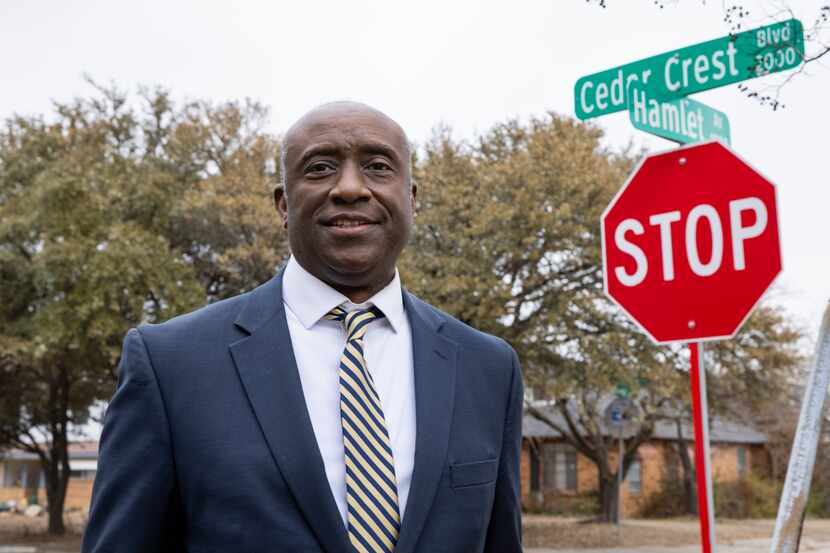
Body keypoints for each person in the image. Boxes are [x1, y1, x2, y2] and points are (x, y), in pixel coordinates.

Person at [82, 101, 523, 553]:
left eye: (377, 166)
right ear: (283, 204)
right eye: (320, 168)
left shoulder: (489, 368)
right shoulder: (170, 364)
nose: (350, 187)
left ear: (411, 199)